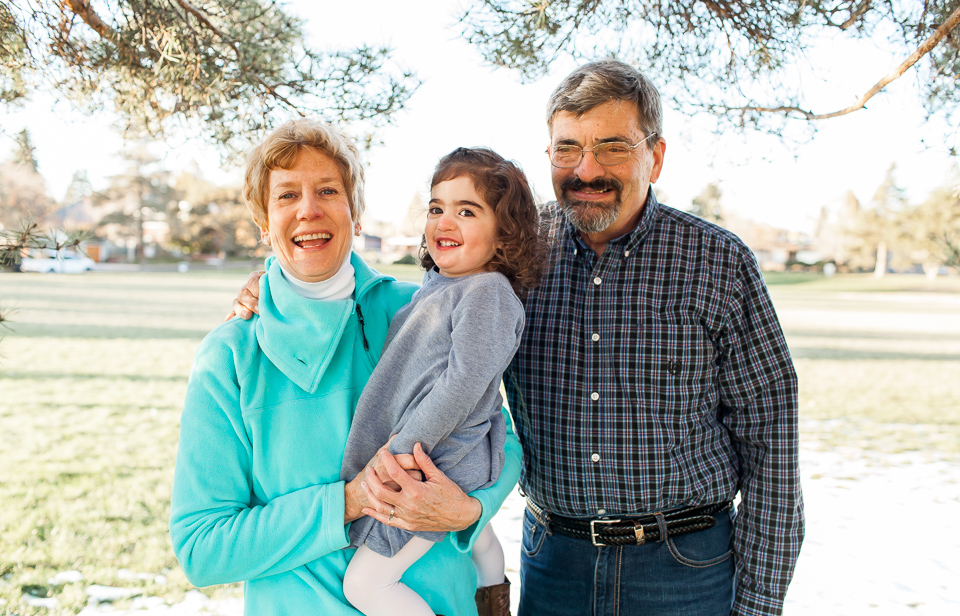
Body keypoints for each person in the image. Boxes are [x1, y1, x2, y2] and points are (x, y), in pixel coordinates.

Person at [230, 60, 804, 616]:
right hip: (555, 563)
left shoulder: (717, 262)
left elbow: (772, 441)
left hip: (685, 568)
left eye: (613, 147)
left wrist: (758, 605)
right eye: (568, 148)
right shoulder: (517, 250)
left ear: (654, 157)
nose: (586, 169)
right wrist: (275, 284)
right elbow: (429, 308)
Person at [169, 119, 521, 616]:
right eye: (286, 196)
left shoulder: (419, 309)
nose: (309, 209)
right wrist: (350, 502)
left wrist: (469, 510)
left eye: (328, 190)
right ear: (263, 222)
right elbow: (203, 549)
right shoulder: (230, 356)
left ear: (355, 212)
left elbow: (499, 436)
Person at [340, 147, 544, 616]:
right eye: (436, 208)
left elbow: (462, 383)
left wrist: (399, 453)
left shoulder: (488, 291)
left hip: (432, 463)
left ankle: (492, 594)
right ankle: (492, 597)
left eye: (466, 211)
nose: (444, 221)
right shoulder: (438, 285)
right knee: (482, 544)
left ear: (504, 233)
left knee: (366, 585)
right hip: (436, 455)